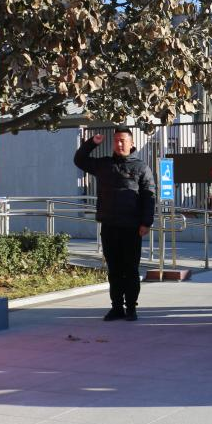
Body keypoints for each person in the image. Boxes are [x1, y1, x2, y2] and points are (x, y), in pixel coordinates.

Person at [73, 127, 155, 321]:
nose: (119, 144)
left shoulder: (141, 167)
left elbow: (149, 196)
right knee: (114, 270)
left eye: (123, 140)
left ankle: (131, 308)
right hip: (109, 225)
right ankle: (116, 307)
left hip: (132, 227)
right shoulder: (104, 164)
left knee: (130, 269)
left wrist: (146, 222)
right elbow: (79, 160)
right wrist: (91, 143)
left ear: (132, 143)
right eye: (116, 140)